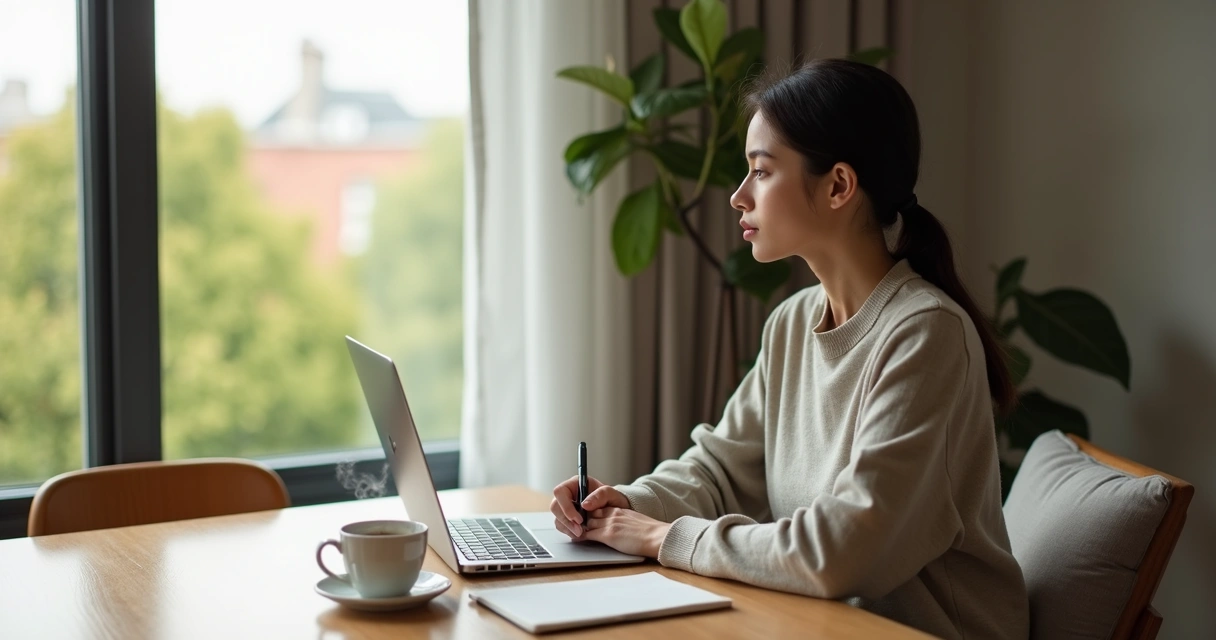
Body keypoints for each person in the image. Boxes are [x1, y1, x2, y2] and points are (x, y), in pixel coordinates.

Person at [550, 58, 1029, 640]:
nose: (737, 197)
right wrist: (626, 501)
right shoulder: (792, 323)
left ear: (838, 186)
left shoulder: (926, 334)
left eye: (761, 172)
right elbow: (720, 470)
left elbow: (843, 550)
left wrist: (658, 536)